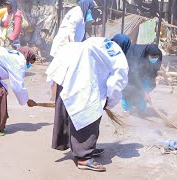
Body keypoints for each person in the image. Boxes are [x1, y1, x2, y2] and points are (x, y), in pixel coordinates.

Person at [46, 36, 129, 172]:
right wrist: (109, 102)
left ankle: (78, 147)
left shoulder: (99, 40)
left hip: (66, 74)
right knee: (89, 117)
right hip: (84, 80)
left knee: (71, 111)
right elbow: (117, 82)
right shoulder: (118, 55)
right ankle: (83, 157)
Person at [121, 44, 162, 115]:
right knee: (129, 89)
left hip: (144, 71)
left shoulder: (159, 54)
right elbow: (134, 75)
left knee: (146, 87)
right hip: (132, 72)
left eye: (156, 57)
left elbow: (155, 69)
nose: (154, 58)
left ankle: (141, 109)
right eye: (152, 57)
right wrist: (144, 92)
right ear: (147, 54)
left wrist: (151, 81)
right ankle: (126, 109)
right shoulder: (137, 56)